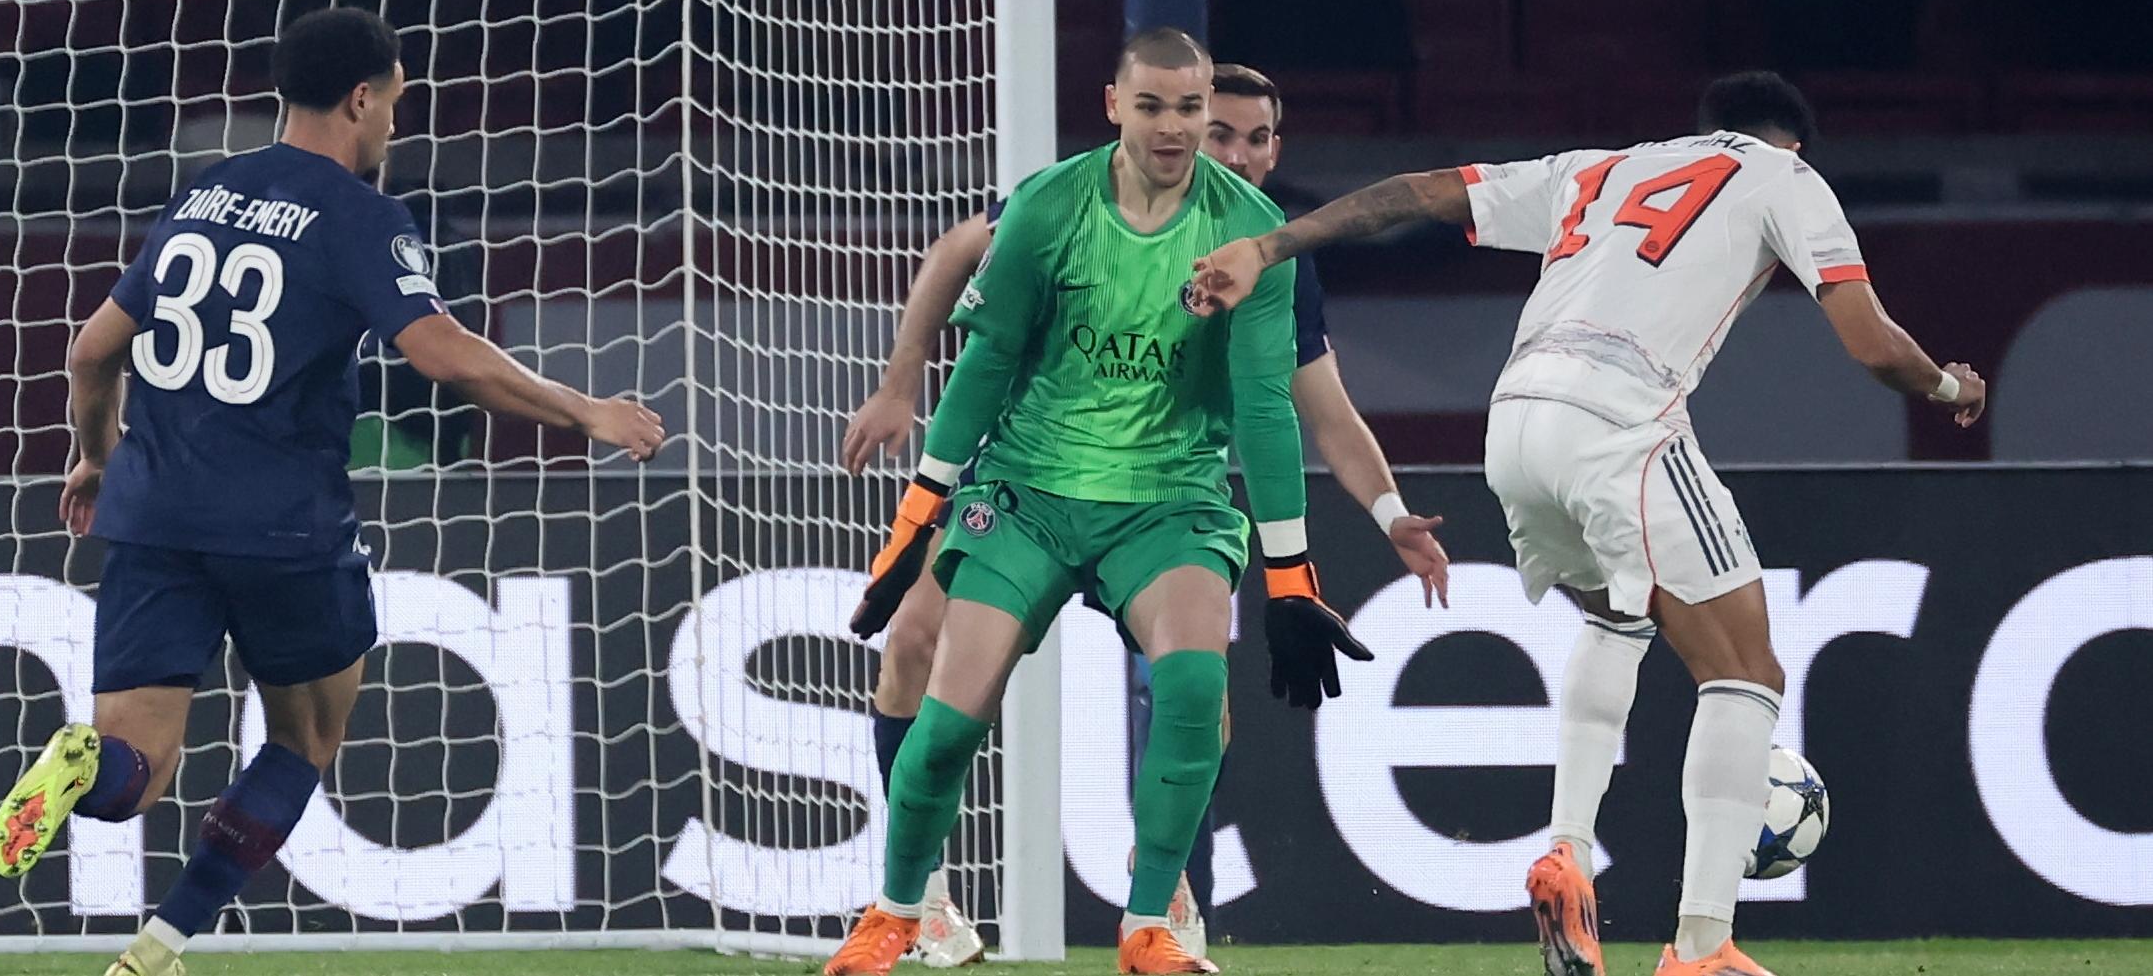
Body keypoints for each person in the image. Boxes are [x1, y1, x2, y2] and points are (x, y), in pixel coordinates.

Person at [1189, 71, 1986, 976]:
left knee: (1620, 613)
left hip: (1515, 421)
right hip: (1622, 418)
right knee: (1746, 669)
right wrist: (1952, 386)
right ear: (1789, 142)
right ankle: (1702, 945)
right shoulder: (1785, 177)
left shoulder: (1599, 169)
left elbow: (1411, 195)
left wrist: (1271, 240)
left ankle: (1568, 847)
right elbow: (1871, 341)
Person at [0, 8, 664, 976]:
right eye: (392, 102)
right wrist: (581, 411)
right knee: (305, 739)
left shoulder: (208, 190)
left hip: (154, 514)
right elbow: (438, 353)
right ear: (362, 96)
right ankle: (161, 942)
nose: (392, 122)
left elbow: (91, 349)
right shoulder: (359, 214)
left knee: (134, 773)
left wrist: (95, 458)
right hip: (279, 525)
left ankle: (84, 774)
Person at [837, 59, 1448, 966]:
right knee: (917, 647)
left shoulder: (1269, 251)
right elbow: (956, 257)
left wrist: (1382, 513)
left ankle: (1162, 892)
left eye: (1250, 134)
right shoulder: (1063, 204)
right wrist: (900, 381)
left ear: (1275, 150)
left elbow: (1318, 409)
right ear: (1134, 114)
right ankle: (916, 895)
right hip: (1028, 485)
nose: (1229, 149)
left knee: (1201, 690)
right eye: (1211, 128)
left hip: (1165, 501)